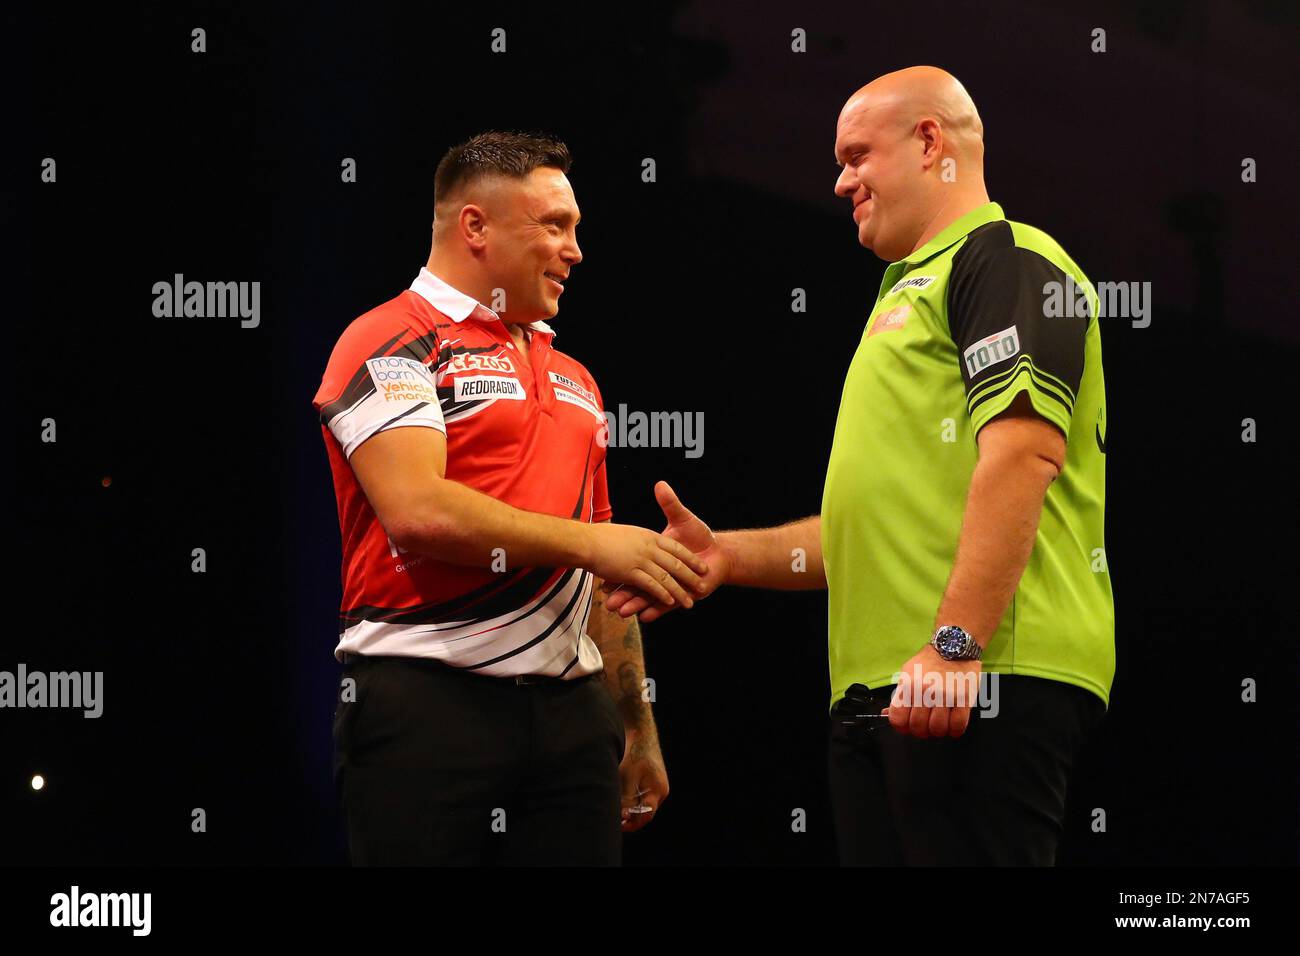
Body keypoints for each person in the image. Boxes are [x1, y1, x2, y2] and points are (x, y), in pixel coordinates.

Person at [605, 67, 1114, 866]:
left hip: (984, 676)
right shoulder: (900, 294)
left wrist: (955, 643)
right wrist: (726, 558)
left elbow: (1026, 453)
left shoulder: (1005, 259)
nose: (840, 181)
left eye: (855, 155)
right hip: (892, 689)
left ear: (928, 142)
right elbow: (866, 531)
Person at [312, 131, 707, 865]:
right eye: (554, 225)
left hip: (573, 720)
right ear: (475, 227)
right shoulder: (389, 338)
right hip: (428, 707)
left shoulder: (578, 380)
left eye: (577, 229)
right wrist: (596, 543)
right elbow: (418, 511)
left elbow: (599, 570)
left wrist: (636, 727)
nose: (576, 250)